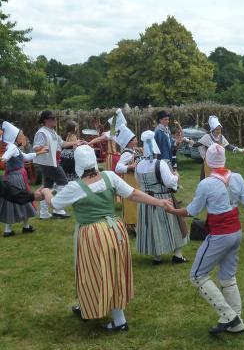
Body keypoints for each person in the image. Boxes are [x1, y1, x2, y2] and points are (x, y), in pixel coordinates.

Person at [41, 145, 172, 331]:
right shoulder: (109, 177)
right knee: (114, 271)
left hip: (93, 234)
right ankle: (91, 307)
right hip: (115, 231)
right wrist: (159, 201)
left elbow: (53, 204)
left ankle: (117, 319)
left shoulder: (75, 187)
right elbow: (133, 194)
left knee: (94, 273)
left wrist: (46, 191)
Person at [167, 143, 244, 334]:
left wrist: (172, 210)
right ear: (224, 159)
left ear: (207, 161)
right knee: (227, 276)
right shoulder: (237, 178)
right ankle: (236, 322)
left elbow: (192, 211)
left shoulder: (206, 184)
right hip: (236, 233)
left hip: (220, 235)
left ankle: (229, 316)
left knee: (197, 275)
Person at [135, 130, 189, 265]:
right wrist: (176, 175)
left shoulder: (139, 165)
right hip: (163, 199)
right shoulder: (161, 164)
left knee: (152, 227)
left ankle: (157, 257)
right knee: (174, 225)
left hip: (146, 200)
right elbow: (170, 182)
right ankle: (177, 255)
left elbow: (138, 181)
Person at [0, 122, 48, 237]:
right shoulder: (11, 147)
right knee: (21, 198)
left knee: (13, 200)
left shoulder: (13, 147)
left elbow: (25, 157)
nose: (23, 136)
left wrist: (40, 152)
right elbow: (5, 158)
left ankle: (18, 228)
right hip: (16, 177)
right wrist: (3, 159)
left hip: (16, 176)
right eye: (20, 134)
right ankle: (13, 228)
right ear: (15, 137)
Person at [33, 110, 83, 219]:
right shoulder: (42, 132)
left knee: (48, 186)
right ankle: (58, 210)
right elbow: (36, 147)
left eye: (54, 118)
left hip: (51, 162)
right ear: (46, 120)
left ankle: (44, 213)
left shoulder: (51, 131)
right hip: (49, 163)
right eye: (52, 118)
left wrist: (75, 142)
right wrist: (42, 148)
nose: (55, 120)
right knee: (63, 183)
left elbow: (62, 143)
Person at [196, 115, 244, 180]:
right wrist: (187, 140)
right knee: (206, 180)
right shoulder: (207, 137)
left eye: (219, 129)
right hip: (208, 164)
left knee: (219, 180)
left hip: (219, 165)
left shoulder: (221, 137)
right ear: (212, 130)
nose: (218, 131)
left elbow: (227, 145)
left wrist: (240, 150)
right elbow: (197, 144)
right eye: (216, 129)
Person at [115, 125, 142, 232]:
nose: (136, 141)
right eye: (134, 140)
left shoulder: (133, 151)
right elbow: (118, 168)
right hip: (130, 181)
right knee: (132, 202)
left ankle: (135, 224)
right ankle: (133, 225)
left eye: (136, 139)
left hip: (135, 180)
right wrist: (130, 167)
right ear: (129, 142)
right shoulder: (127, 154)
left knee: (136, 202)